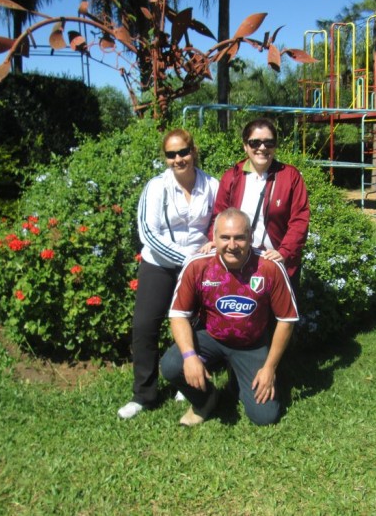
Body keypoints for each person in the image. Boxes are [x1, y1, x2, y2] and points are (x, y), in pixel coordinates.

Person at [160, 208, 299, 426]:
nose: (232, 245)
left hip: (251, 344)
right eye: (225, 237)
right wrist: (189, 357)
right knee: (171, 364)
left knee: (265, 417)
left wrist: (269, 368)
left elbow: (286, 320)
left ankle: (239, 380)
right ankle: (205, 399)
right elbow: (178, 315)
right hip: (211, 336)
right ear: (214, 238)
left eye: (239, 238)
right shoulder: (197, 265)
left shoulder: (269, 266)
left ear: (250, 238)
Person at [117, 128, 220, 419]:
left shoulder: (211, 185)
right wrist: (188, 259)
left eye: (183, 152)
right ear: (165, 158)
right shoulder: (156, 187)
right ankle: (144, 395)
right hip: (159, 264)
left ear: (193, 151)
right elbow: (148, 233)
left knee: (196, 325)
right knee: (145, 326)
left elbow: (220, 222)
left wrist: (212, 247)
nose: (178, 159)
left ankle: (186, 381)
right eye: (171, 154)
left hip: (198, 266)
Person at [200, 118, 310, 289]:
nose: (262, 148)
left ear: (275, 146)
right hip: (240, 261)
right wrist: (214, 239)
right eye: (255, 143)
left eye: (269, 142)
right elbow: (219, 215)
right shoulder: (232, 177)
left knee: (280, 307)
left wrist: (285, 252)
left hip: (277, 262)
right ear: (245, 146)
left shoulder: (290, 177)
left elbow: (300, 220)